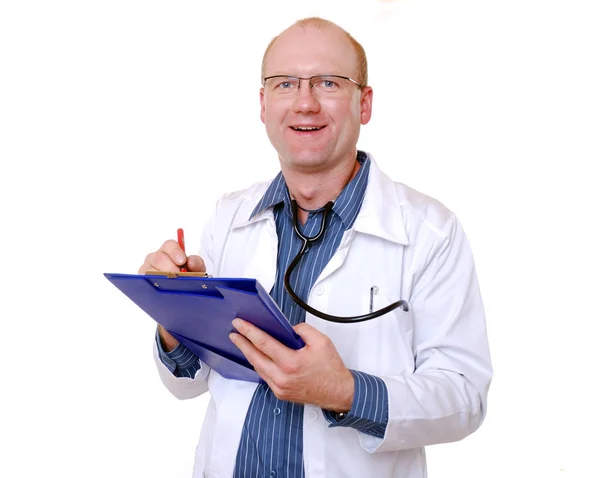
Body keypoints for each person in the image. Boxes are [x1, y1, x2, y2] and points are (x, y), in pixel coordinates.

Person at [139, 16, 493, 478]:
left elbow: (465, 397)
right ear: (263, 104)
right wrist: (175, 318)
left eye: (328, 82)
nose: (304, 103)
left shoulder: (430, 231)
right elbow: (189, 384)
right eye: (286, 84)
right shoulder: (230, 217)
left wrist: (343, 390)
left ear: (363, 103)